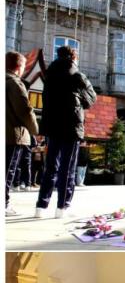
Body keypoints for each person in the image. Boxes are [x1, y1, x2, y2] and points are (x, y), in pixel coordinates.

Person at [34, 46, 95, 219]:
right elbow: (92, 97)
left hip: (52, 126)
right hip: (71, 125)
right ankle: (62, 207)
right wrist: (80, 100)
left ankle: (41, 206)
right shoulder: (77, 75)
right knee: (67, 167)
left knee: (50, 166)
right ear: (74, 58)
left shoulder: (49, 75)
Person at [6, 52, 39, 217]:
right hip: (13, 134)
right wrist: (35, 130)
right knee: (7, 171)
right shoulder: (14, 83)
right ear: (19, 67)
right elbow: (25, 110)